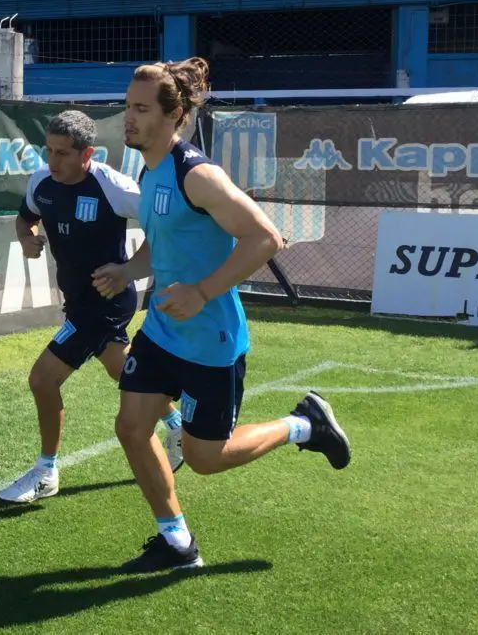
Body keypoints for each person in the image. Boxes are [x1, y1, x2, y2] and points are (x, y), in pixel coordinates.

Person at [92, 59, 351, 572]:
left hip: (210, 339)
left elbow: (266, 238)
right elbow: (164, 240)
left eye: (141, 109)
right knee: (131, 426)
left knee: (206, 458)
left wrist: (204, 291)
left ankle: (303, 424)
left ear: (175, 115)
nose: (129, 117)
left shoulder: (198, 174)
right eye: (127, 106)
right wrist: (127, 271)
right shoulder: (149, 168)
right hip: (164, 330)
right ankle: (176, 542)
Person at [0, 110, 183, 504]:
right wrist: (26, 239)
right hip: (76, 300)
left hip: (106, 302)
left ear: (87, 153)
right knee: (123, 370)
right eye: (48, 150)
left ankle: (46, 471)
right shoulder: (41, 183)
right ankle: (176, 422)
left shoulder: (113, 187)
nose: (53, 160)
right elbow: (25, 218)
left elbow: (166, 225)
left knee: (42, 380)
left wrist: (128, 270)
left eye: (63, 153)